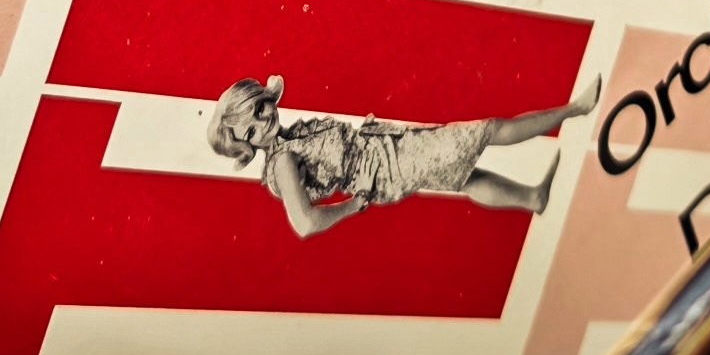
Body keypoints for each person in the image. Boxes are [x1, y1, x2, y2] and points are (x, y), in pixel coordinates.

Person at [208, 74, 604, 234]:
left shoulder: (291, 139)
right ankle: (575, 110)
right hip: (392, 164)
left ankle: (532, 198)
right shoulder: (282, 161)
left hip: (389, 152)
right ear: (247, 145)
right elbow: (305, 223)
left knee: (464, 178)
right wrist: (355, 204)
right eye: (251, 130)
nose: (263, 121)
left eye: (259, 108)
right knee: (488, 131)